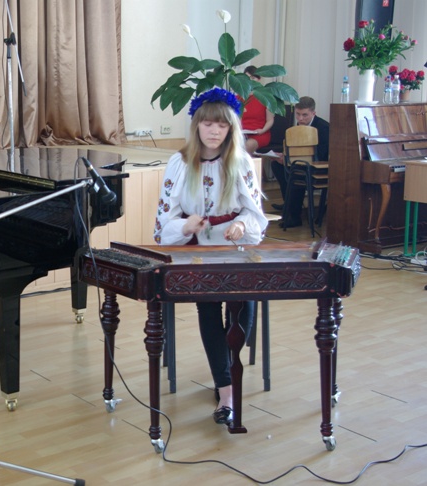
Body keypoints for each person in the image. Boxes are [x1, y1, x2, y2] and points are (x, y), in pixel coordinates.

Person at [153, 88, 269, 425]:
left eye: (222, 125)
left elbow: (256, 215)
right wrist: (185, 225)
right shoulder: (179, 163)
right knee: (208, 307)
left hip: (235, 249)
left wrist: (241, 225)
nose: (214, 131)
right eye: (208, 124)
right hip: (196, 250)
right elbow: (162, 225)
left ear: (231, 128)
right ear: (197, 125)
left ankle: (225, 375)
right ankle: (227, 391)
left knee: (243, 309)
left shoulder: (241, 161)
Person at [271, 96, 330, 227]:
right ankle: (289, 203)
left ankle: (294, 216)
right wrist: (285, 156)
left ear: (313, 113)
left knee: (295, 172)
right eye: (298, 114)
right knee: (276, 165)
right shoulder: (298, 126)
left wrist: (291, 160)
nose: (300, 118)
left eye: (305, 115)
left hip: (318, 167)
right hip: (300, 162)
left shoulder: (323, 128)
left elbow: (321, 154)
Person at [242, 66, 275, 155]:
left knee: (248, 145)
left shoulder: (265, 97)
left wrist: (262, 130)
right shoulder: (238, 98)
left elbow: (270, 120)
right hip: (241, 134)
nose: (250, 81)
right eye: (247, 78)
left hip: (260, 134)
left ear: (259, 79)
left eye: (253, 78)